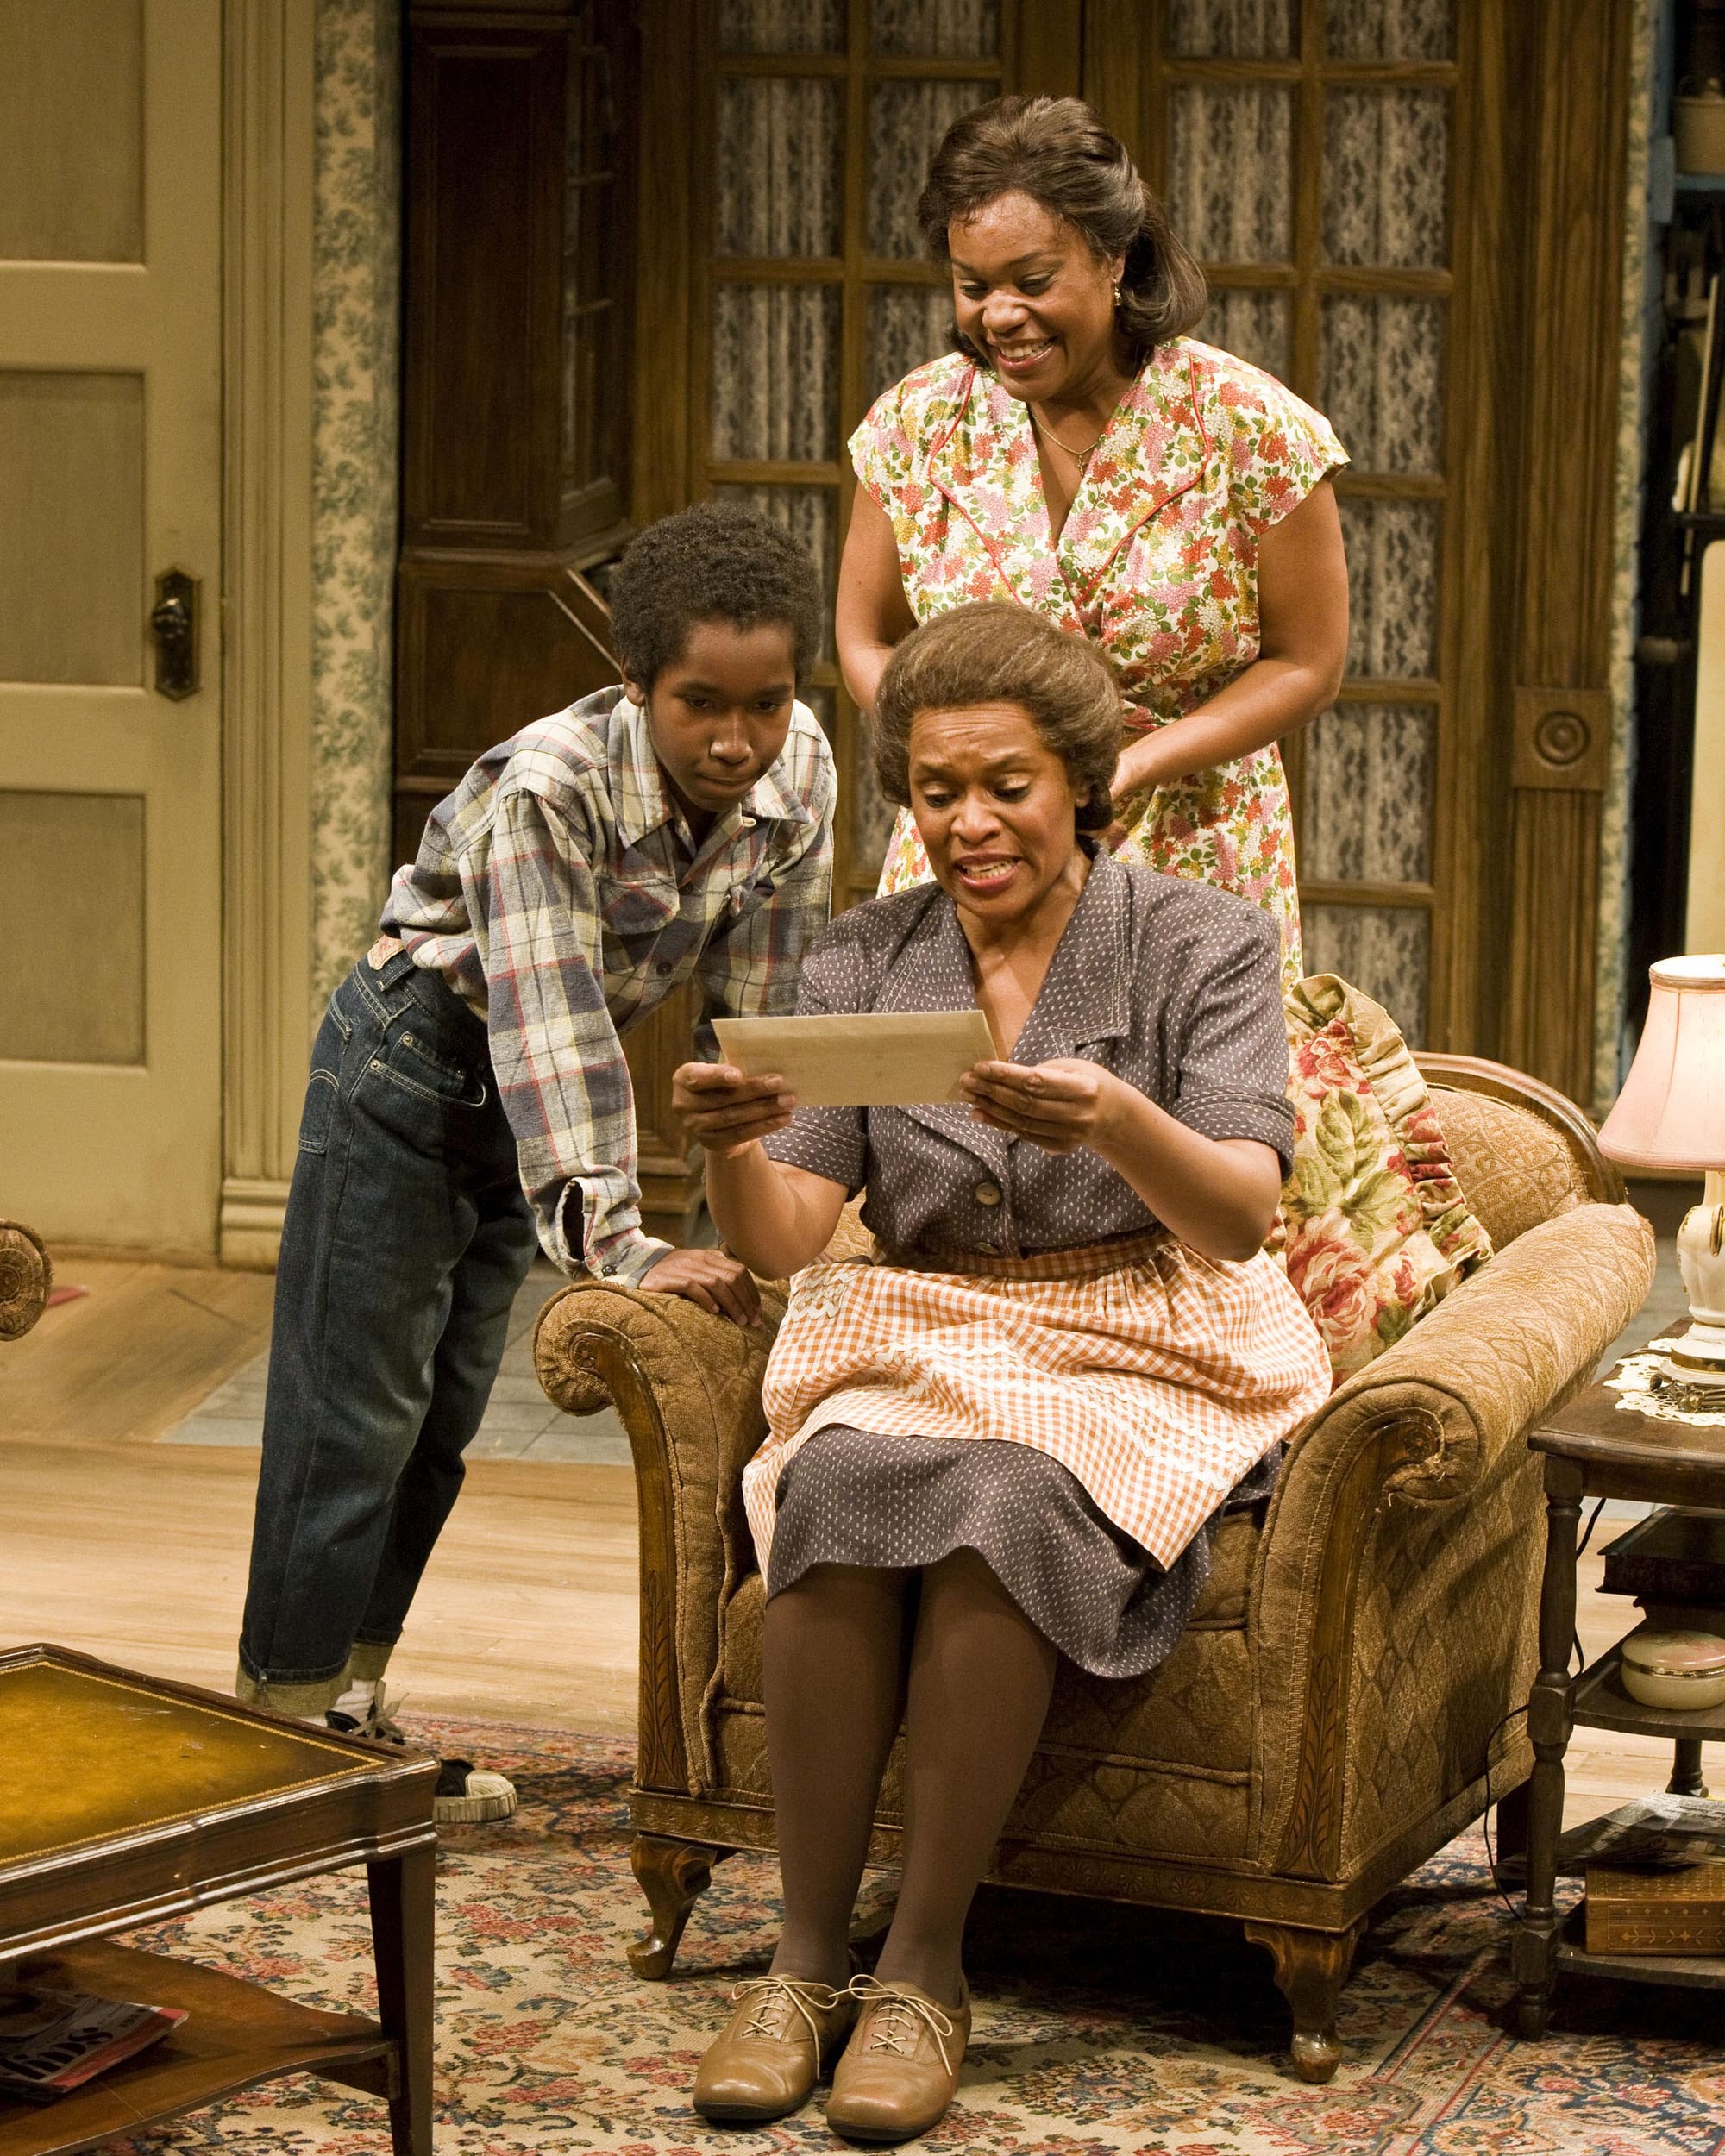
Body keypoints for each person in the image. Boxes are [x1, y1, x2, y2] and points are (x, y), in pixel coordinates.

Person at [673, 604, 1331, 2140]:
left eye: (1007, 787)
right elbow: (786, 1239)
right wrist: (720, 1151)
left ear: (1083, 784)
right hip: (934, 1321)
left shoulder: (1198, 943)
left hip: (1143, 1325)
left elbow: (1239, 1216)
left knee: (1000, 1494)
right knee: (834, 1477)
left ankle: (923, 1968)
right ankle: (802, 1959)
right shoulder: (869, 962)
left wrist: (1116, 1123)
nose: (969, 825)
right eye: (937, 791)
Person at [237, 503, 836, 1822]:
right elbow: (555, 1033)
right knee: (356, 1418)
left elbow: (764, 1030)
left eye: (768, 702)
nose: (737, 740)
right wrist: (622, 1247)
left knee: (442, 1425)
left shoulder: (798, 780)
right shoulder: (549, 790)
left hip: (515, 1085)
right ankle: (274, 1750)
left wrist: (757, 1220)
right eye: (699, 705)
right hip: (411, 1063)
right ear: (636, 686)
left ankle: (352, 1716)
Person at [836, 94, 1350, 985]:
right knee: (959, 1108)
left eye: (1031, 282)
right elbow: (863, 636)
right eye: (972, 285)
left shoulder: (1246, 426)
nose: (998, 315)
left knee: (1170, 1111)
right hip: (977, 848)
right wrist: (962, 762)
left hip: (1186, 843)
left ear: (1113, 260)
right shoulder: (915, 425)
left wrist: (1128, 765)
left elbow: (1309, 661)